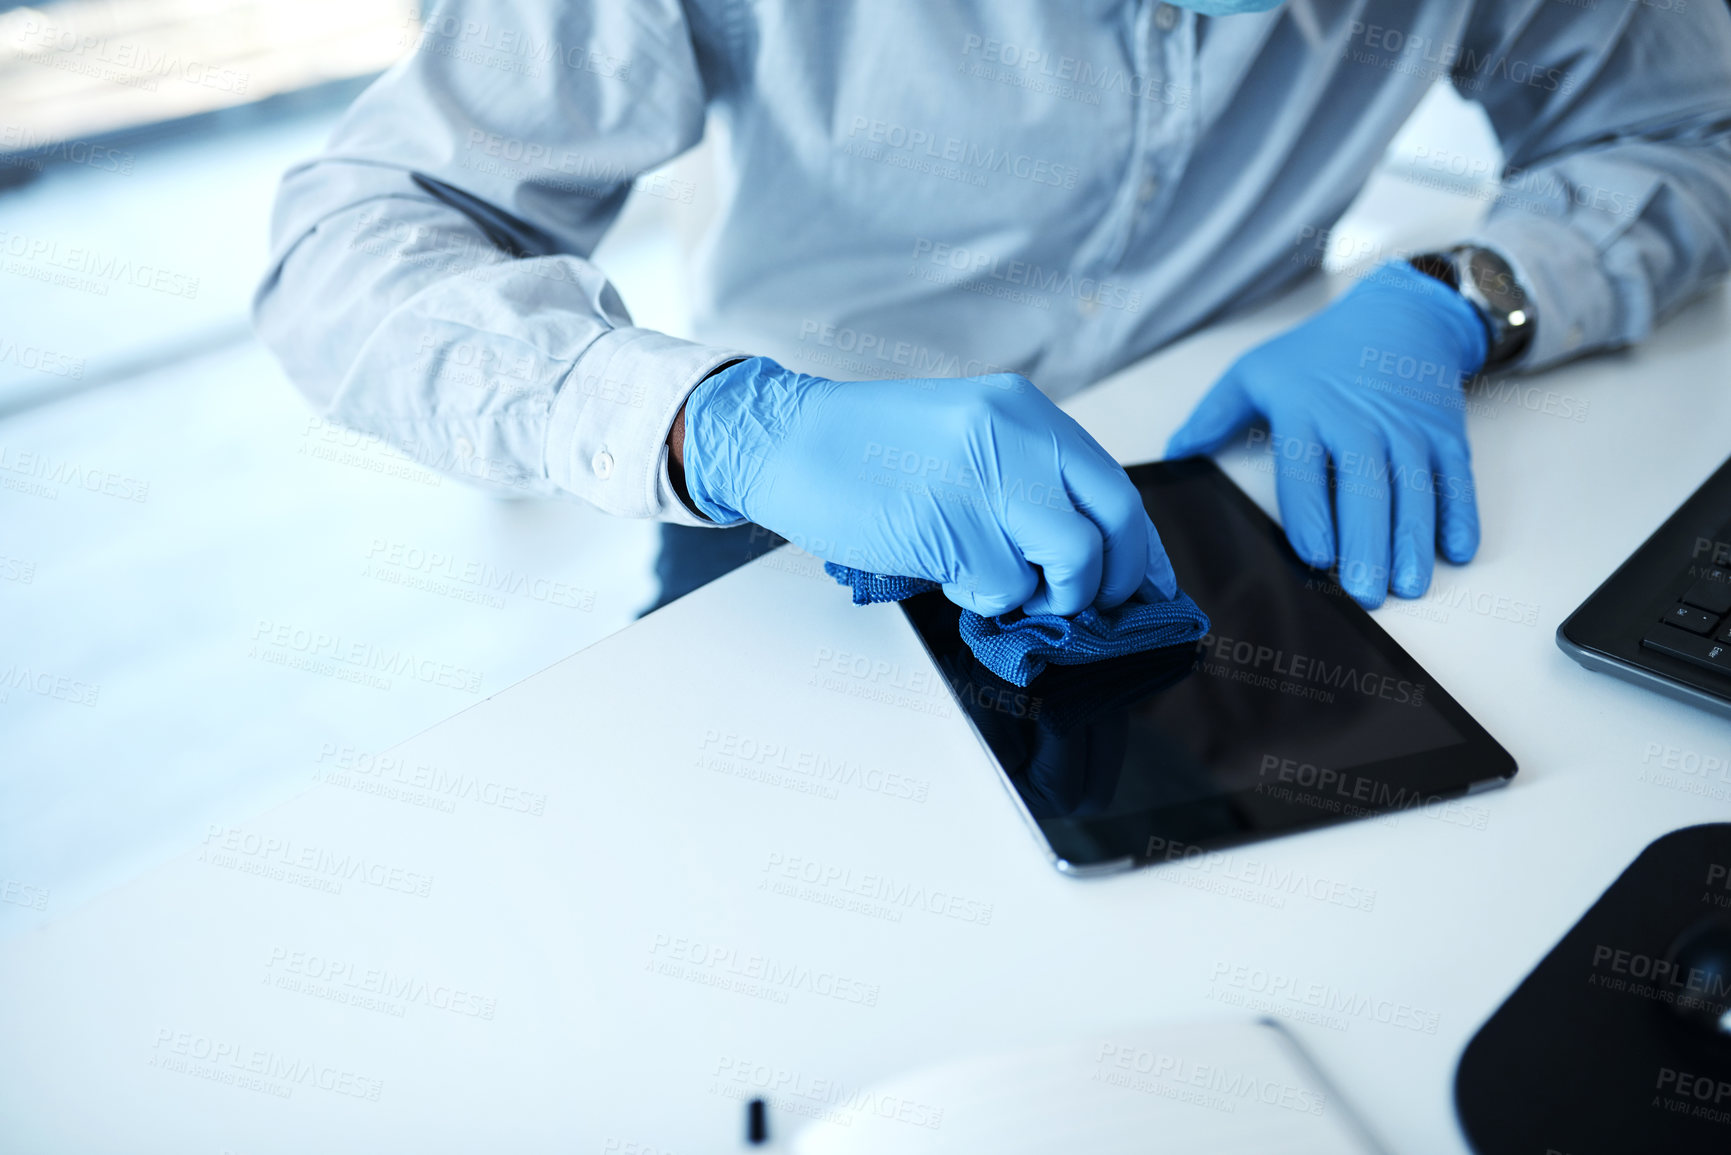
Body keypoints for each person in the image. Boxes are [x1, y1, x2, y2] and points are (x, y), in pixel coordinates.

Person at [255, 0, 1731, 616]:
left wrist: (1471, 294)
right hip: (798, 506)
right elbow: (348, 243)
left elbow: (1685, 129)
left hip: (1236, 466)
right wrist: (733, 428)